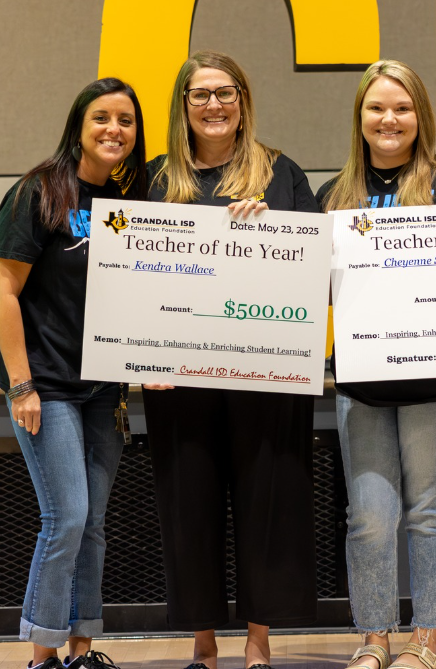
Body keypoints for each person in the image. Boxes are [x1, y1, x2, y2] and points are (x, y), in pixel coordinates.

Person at [141, 50, 319, 669]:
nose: (213, 105)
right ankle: (203, 642)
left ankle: (258, 641)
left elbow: (315, 264)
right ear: (182, 105)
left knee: (267, 501)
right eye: (200, 94)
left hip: (265, 374)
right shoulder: (154, 180)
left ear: (243, 101)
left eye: (225, 93)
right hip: (177, 378)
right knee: (188, 504)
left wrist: (270, 229)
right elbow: (127, 278)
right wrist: (139, 356)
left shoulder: (280, 172)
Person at [317, 60, 436, 669]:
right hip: (363, 384)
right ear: (359, 117)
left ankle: (426, 640)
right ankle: (374, 637)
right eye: (376, 108)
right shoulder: (334, 196)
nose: (389, 119)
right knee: (368, 518)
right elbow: (308, 286)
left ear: (421, 116)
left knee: (429, 512)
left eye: (402, 108)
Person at [0, 78, 148, 669]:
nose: (114, 130)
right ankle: (42, 656)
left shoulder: (128, 203)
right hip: (46, 386)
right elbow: (3, 291)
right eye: (102, 117)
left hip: (104, 388)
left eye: (125, 120)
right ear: (78, 126)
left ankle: (82, 649)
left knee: (94, 523)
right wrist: (22, 385)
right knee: (67, 518)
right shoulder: (38, 191)